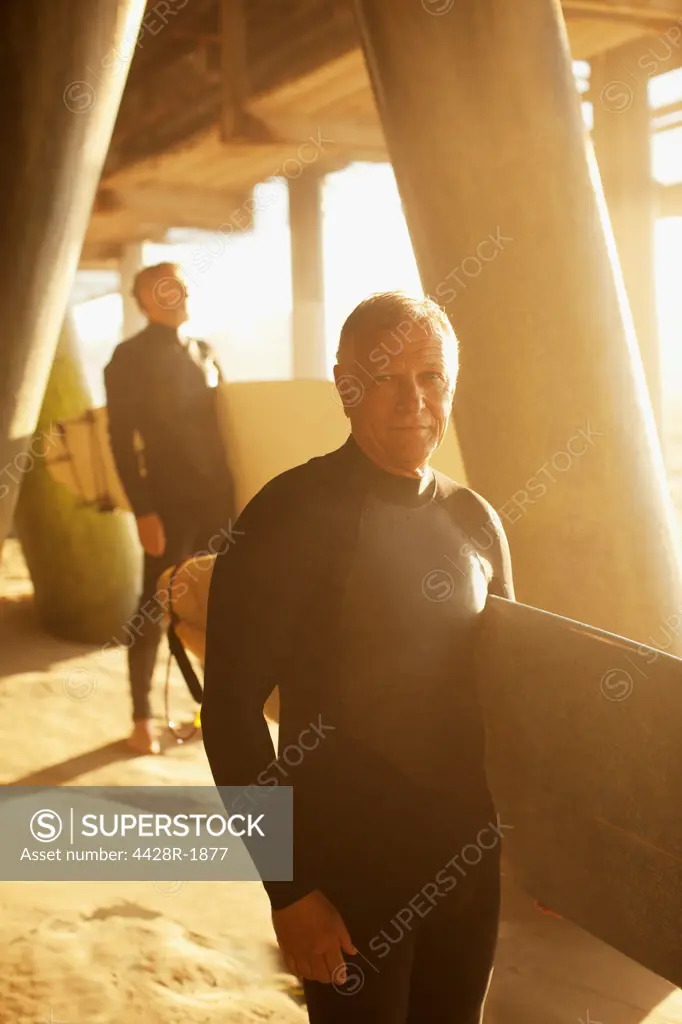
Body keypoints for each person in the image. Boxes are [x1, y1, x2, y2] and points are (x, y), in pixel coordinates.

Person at [202, 291, 514, 1023]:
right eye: (384, 377)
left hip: (468, 871)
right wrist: (290, 890)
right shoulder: (288, 515)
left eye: (431, 376)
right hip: (344, 881)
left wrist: (559, 857)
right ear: (345, 385)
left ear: (452, 386)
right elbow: (231, 716)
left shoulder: (475, 520)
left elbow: (508, 700)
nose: (413, 399)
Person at [104, 261, 235, 755]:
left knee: (215, 605)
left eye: (179, 285)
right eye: (161, 289)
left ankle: (208, 707)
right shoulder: (128, 357)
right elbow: (120, 440)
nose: (175, 294)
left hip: (217, 500)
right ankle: (142, 718)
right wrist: (143, 511)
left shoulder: (206, 352)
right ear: (143, 301)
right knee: (153, 607)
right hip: (167, 502)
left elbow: (230, 430)